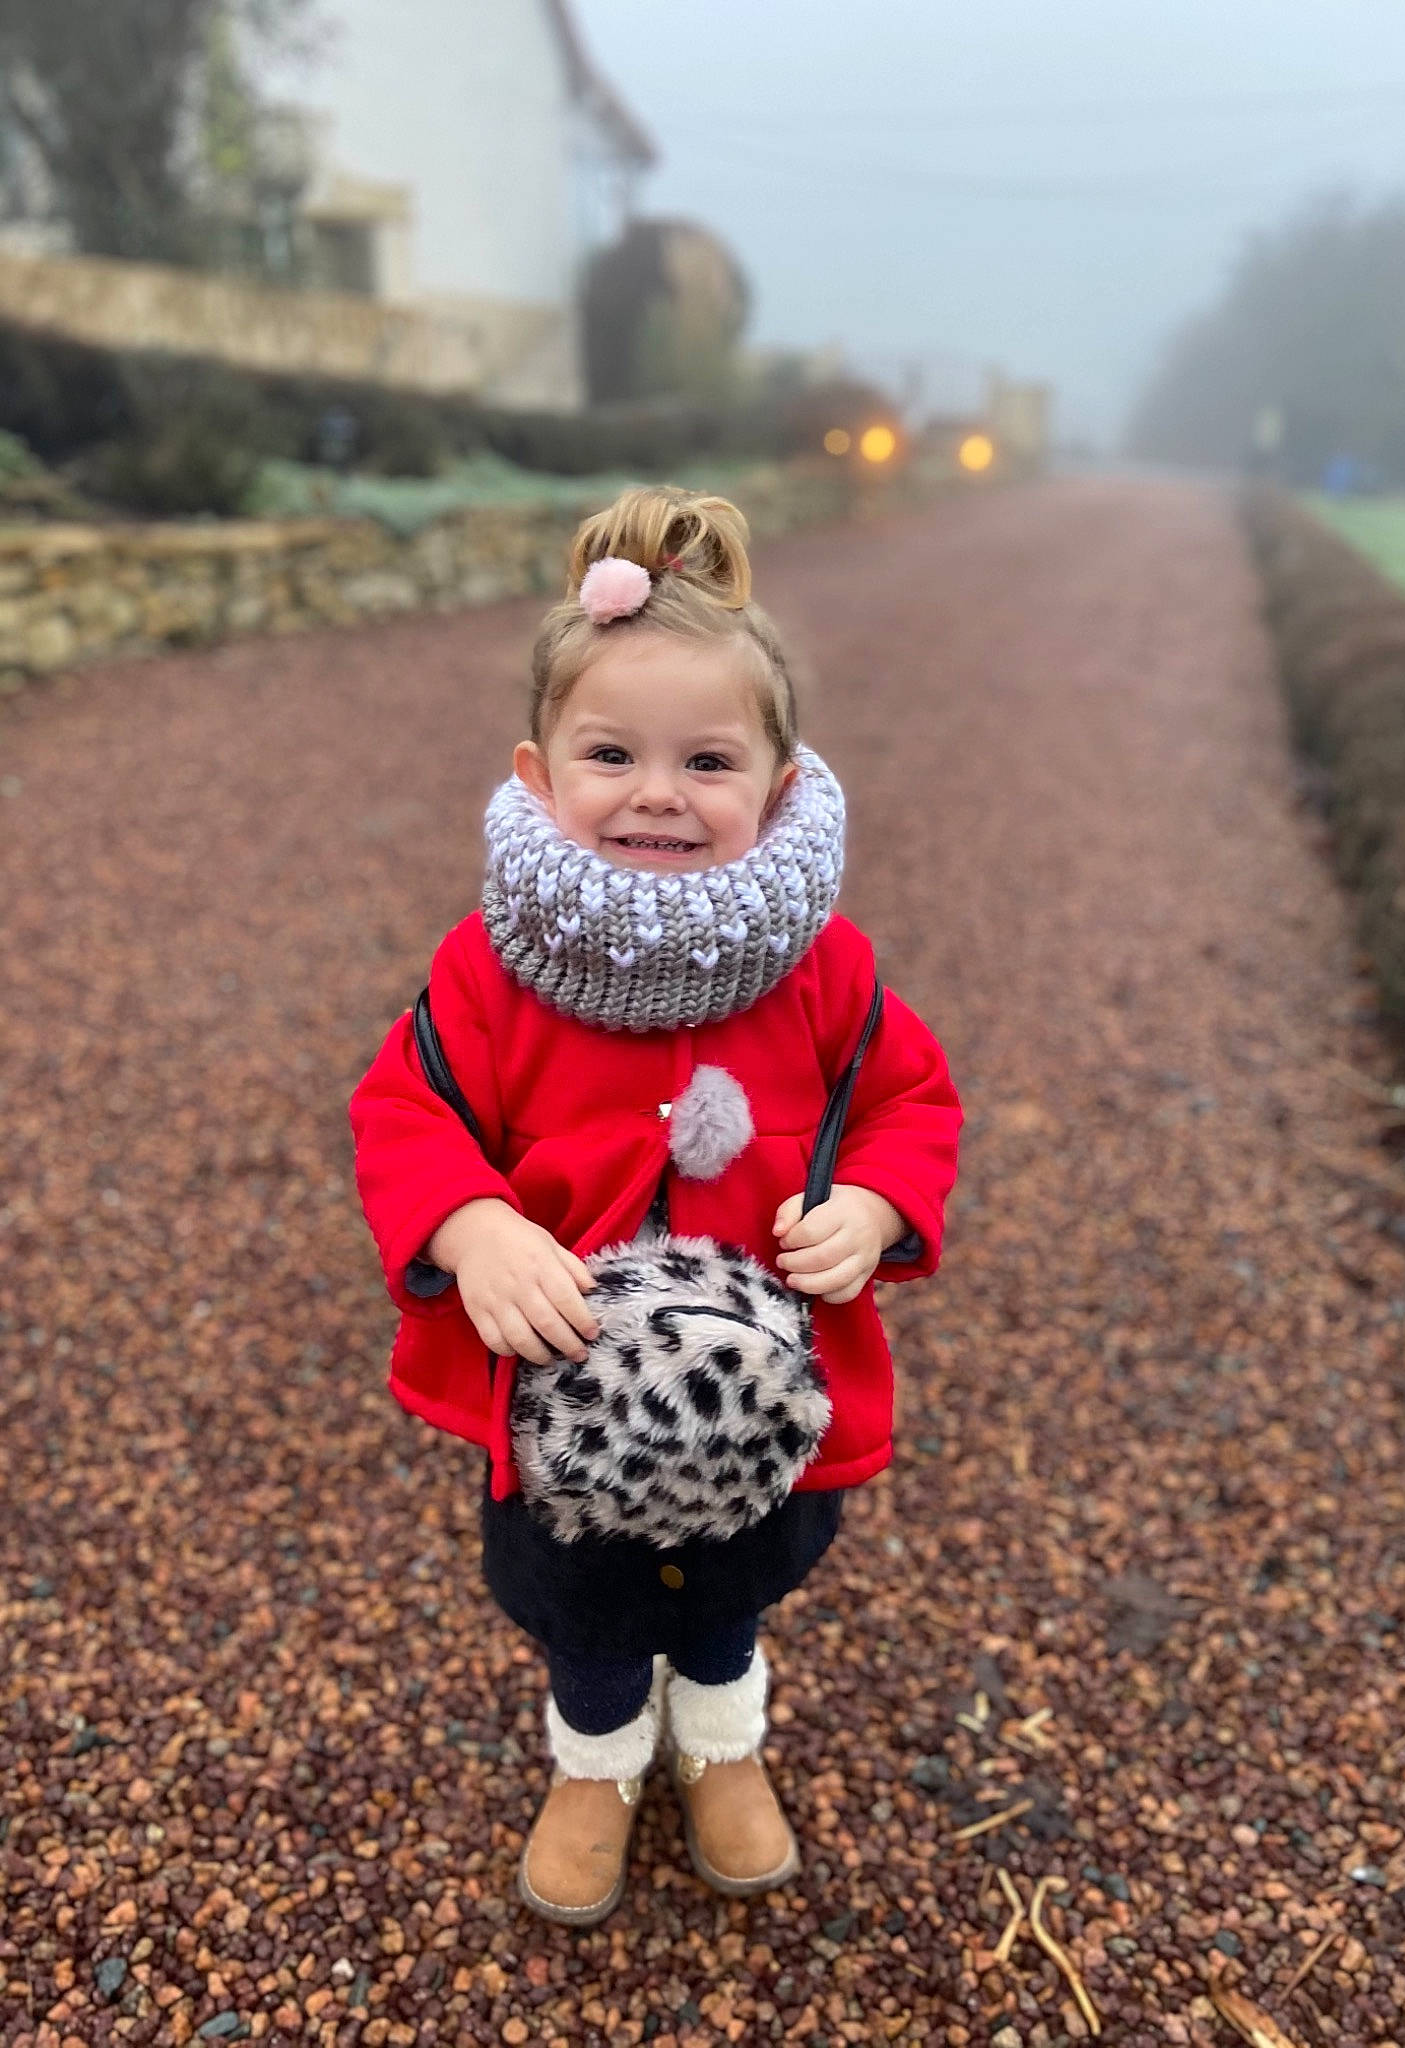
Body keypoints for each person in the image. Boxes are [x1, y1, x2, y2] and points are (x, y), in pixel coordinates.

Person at [349, 485, 962, 1926]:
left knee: (733, 1584)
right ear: (539, 767)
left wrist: (874, 1205)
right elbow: (404, 1109)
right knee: (587, 1602)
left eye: (707, 760)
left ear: (780, 778)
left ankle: (723, 1741)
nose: (659, 792)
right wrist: (473, 1225)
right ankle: (598, 1761)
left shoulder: (824, 964)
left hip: (761, 1390)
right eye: (611, 754)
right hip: (558, 1383)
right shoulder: (489, 968)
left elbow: (912, 1105)